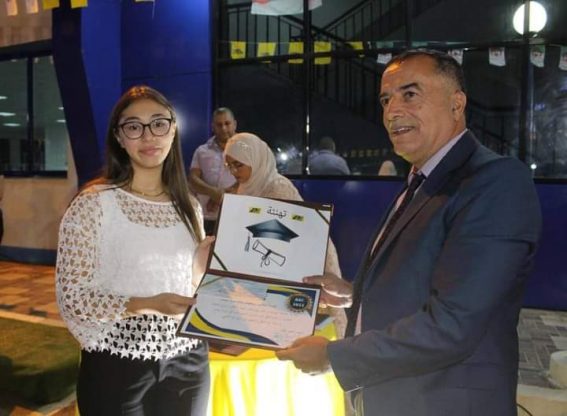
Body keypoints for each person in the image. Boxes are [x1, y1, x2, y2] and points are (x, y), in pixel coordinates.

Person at [276, 49, 542, 416]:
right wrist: (355, 294)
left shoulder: (495, 182)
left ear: (457, 103)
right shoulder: (422, 180)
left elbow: (452, 324)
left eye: (410, 94)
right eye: (386, 100)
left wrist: (333, 356)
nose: (392, 111)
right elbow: (429, 276)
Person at [56, 86, 212, 415]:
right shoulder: (93, 205)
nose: (148, 136)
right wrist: (146, 304)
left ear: (173, 129)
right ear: (119, 137)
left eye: (158, 123)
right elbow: (74, 298)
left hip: (188, 356)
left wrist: (203, 268)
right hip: (116, 360)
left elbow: (187, 285)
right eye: (133, 127)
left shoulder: (190, 206)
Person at [224, 132, 347, 337]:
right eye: (229, 166)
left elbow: (284, 235)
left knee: (323, 317)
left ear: (255, 160)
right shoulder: (246, 187)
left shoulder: (277, 187)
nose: (233, 172)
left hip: (308, 257)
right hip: (276, 258)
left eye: (238, 165)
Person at [189, 107, 238, 234]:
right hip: (206, 218)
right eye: (219, 124)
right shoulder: (201, 151)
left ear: (234, 124)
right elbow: (193, 180)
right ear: (212, 127)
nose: (223, 128)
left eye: (227, 123)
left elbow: (251, 178)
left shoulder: (246, 149)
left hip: (236, 216)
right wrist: (214, 193)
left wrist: (220, 197)